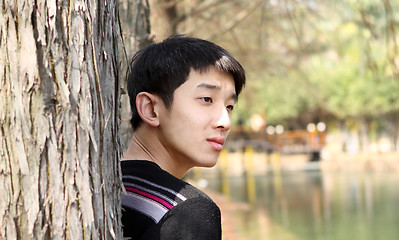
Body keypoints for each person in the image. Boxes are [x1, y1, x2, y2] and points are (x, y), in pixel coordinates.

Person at [121, 35, 246, 239]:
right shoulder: (188, 212)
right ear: (151, 108)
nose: (225, 122)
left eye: (229, 106)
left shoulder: (104, 189)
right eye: (207, 99)